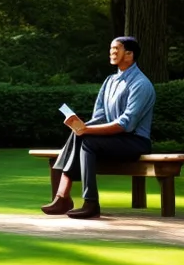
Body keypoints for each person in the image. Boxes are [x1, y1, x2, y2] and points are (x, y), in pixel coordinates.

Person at [41, 36, 155, 219]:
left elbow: (126, 124)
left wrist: (87, 131)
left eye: (116, 49)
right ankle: (62, 197)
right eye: (111, 49)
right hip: (114, 139)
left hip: (135, 141)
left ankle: (91, 203)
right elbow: (100, 116)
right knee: (79, 134)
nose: (111, 53)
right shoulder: (110, 81)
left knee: (88, 142)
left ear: (129, 54)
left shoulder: (141, 84)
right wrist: (80, 126)